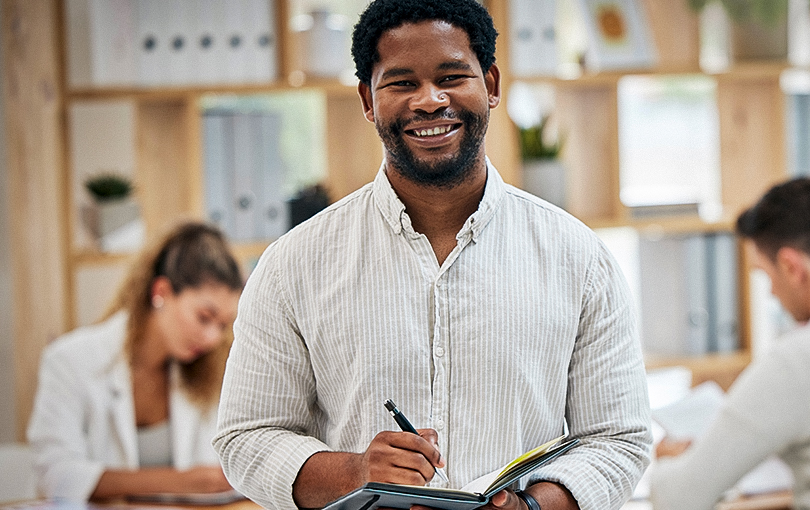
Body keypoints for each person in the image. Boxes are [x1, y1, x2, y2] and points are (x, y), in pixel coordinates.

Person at [213, 1, 652, 509]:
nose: (429, 101)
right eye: (402, 83)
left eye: (451, 76)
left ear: (490, 85)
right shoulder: (293, 265)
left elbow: (620, 438)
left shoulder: (579, 259)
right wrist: (356, 471)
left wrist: (534, 507)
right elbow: (246, 438)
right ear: (367, 100)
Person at [27, 221, 244, 501]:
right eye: (204, 317)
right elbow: (55, 476)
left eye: (223, 324)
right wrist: (181, 482)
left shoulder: (210, 368)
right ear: (161, 293)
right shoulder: (69, 361)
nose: (212, 338)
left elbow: (227, 473)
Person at [650, 177, 810, 510]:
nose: (772, 293)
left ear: (792, 268)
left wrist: (664, 460)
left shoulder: (796, 359)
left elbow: (678, 498)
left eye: (766, 275)